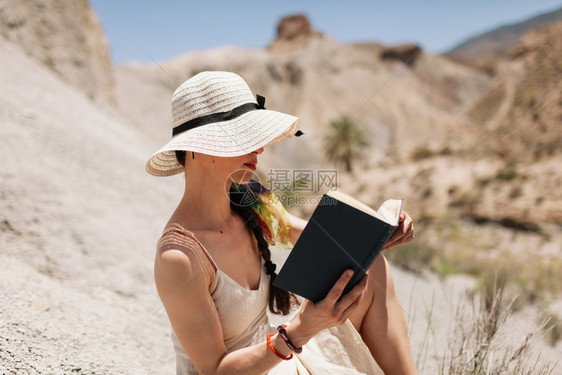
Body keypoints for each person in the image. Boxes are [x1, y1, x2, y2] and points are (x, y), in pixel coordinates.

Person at [146, 71, 417, 374]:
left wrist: (379, 233)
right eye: (243, 137)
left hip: (278, 356)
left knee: (375, 265)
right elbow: (215, 370)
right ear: (199, 147)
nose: (259, 148)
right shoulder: (179, 256)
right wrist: (299, 331)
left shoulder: (248, 199)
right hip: (259, 361)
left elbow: (318, 237)